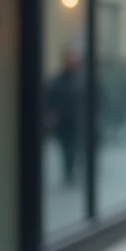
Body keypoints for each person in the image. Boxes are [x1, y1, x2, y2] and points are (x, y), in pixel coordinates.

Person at [44, 47, 84, 185]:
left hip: (77, 121)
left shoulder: (80, 80)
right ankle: (68, 171)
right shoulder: (57, 81)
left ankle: (71, 170)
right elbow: (50, 100)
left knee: (74, 148)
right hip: (63, 121)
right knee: (66, 148)